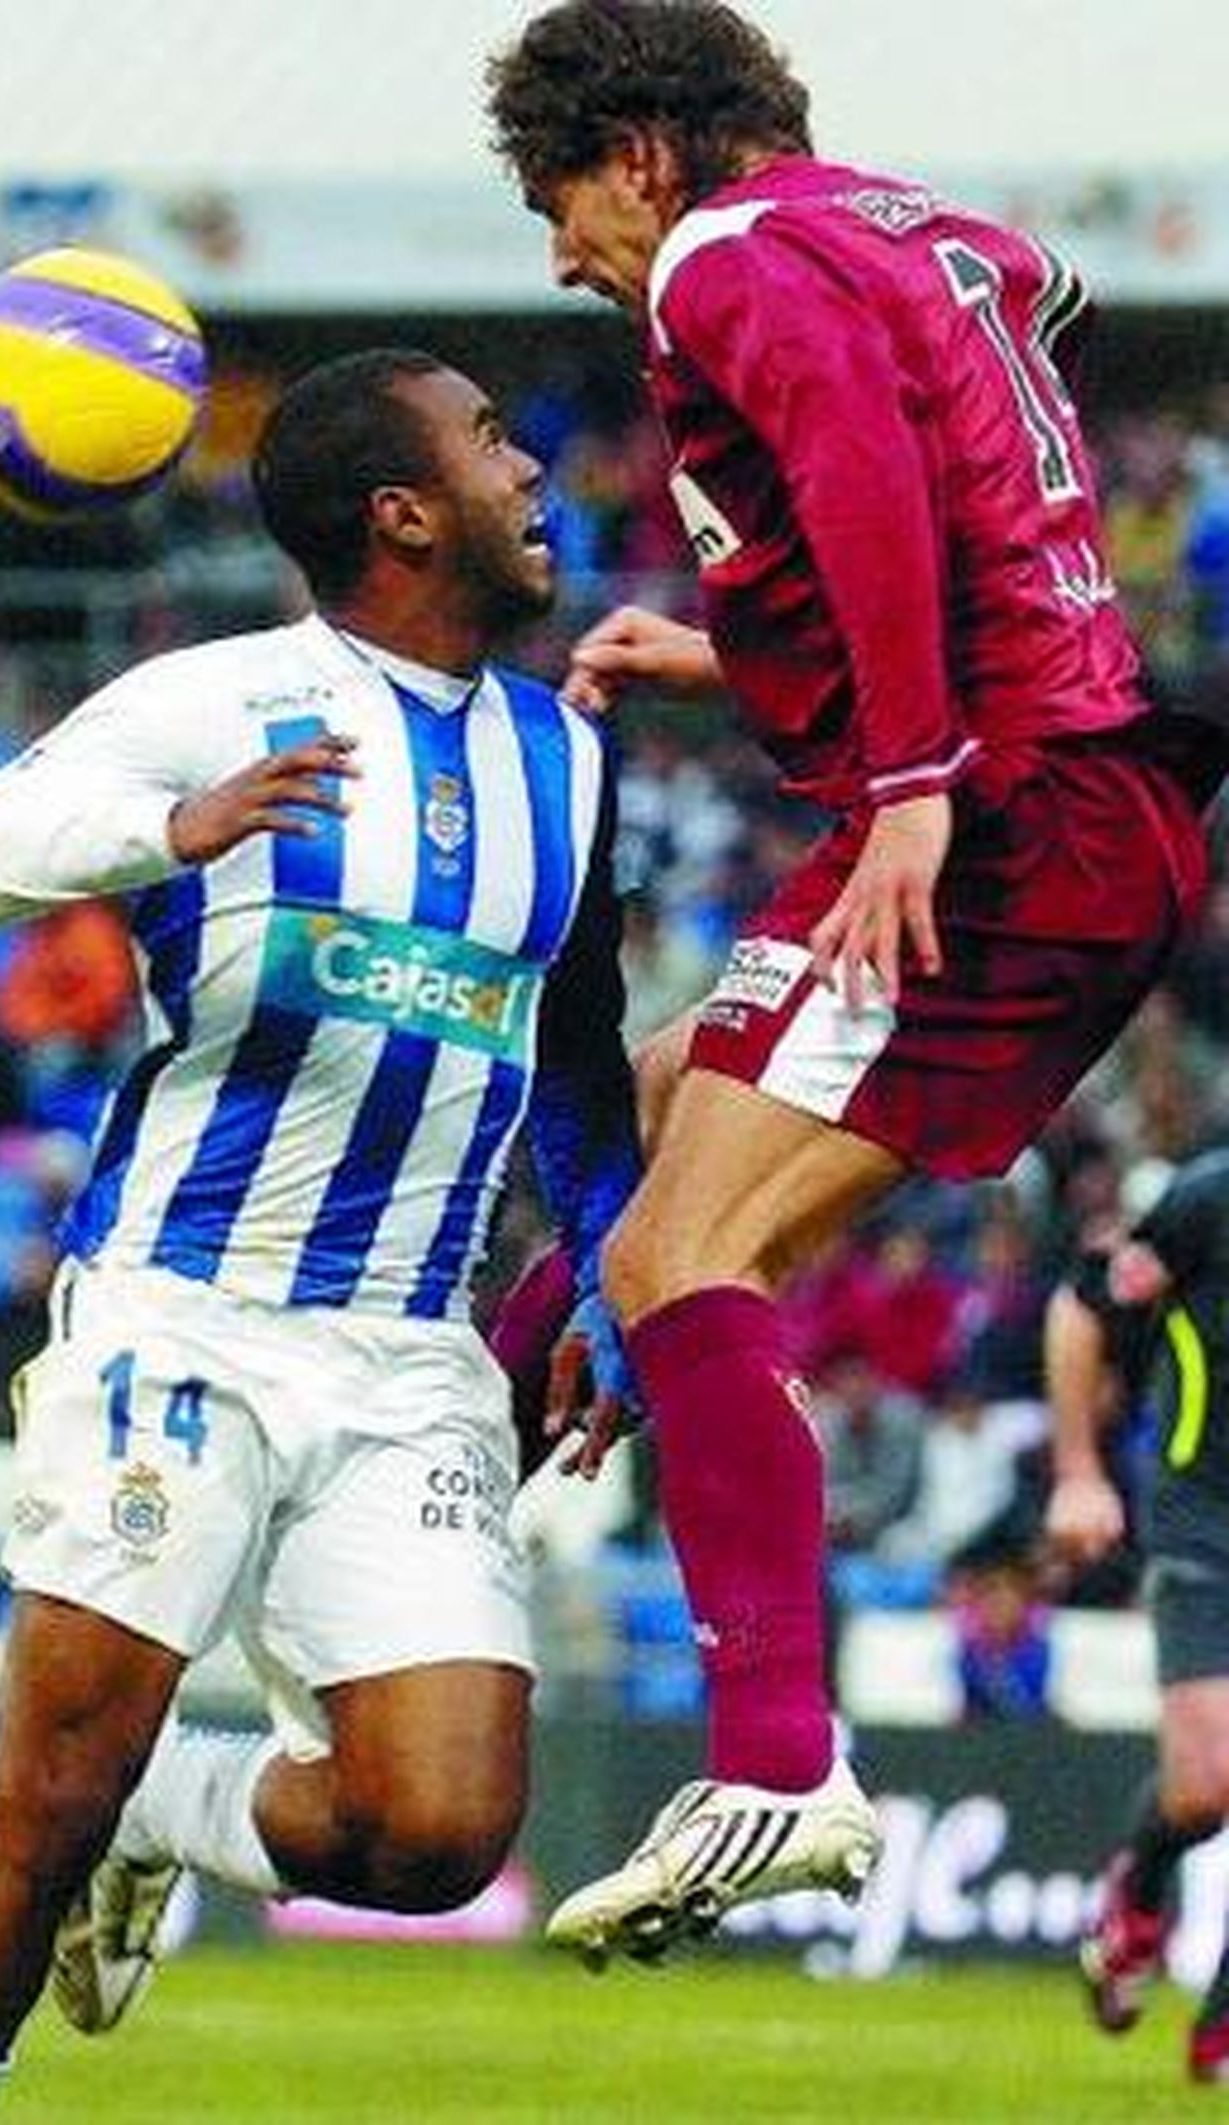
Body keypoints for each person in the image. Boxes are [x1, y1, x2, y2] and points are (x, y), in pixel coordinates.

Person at [484, 0, 1224, 1964]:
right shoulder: (912, 229)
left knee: (677, 1260)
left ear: (638, 149)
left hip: (989, 820)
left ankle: (776, 1764)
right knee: (649, 1112)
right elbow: (991, 457)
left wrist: (899, 783)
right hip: (1061, 795)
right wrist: (739, 663)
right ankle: (467, 1474)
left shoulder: (727, 255)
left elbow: (871, 475)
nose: (562, 252)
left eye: (556, 197)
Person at [0, 348, 639, 2123]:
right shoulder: (221, 700)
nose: (534, 472)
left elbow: (574, 1055)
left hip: (412, 1351)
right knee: (39, 1806)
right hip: (184, 1324)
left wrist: (607, 1272)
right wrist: (161, 831)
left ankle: (172, 1810)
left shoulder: (568, 764)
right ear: (402, 509)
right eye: (494, 442)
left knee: (440, 1832)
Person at [1044, 1147, 1229, 2084]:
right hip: (1209, 1516)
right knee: (1208, 1784)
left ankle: (1222, 2023)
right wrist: (1078, 1471)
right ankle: (1140, 1885)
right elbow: (1083, 1306)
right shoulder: (1210, 1198)